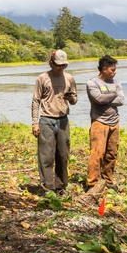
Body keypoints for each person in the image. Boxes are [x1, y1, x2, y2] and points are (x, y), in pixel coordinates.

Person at [31, 50, 77, 193]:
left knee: (63, 154)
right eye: (58, 65)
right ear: (51, 63)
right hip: (46, 119)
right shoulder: (42, 78)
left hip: (63, 120)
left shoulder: (69, 78)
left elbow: (75, 99)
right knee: (46, 155)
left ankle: (61, 185)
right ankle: (47, 185)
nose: (61, 68)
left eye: (63, 66)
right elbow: (36, 101)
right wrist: (35, 122)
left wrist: (71, 99)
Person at [86, 55, 124, 190]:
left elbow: (121, 100)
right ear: (104, 69)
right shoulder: (92, 83)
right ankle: (92, 183)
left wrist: (107, 97)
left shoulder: (116, 82)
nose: (115, 72)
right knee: (97, 153)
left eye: (115, 69)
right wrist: (113, 95)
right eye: (112, 70)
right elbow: (98, 99)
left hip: (114, 122)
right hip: (99, 122)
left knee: (111, 153)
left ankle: (107, 180)